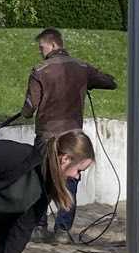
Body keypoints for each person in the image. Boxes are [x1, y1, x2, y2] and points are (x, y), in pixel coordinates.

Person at [17, 28, 114, 239]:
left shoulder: (40, 70)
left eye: (41, 47)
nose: (40, 51)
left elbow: (28, 108)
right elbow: (110, 82)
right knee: (70, 181)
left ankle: (38, 227)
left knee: (42, 179)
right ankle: (62, 231)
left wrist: (25, 110)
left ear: (52, 45)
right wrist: (87, 83)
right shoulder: (81, 67)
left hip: (47, 135)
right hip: (73, 138)